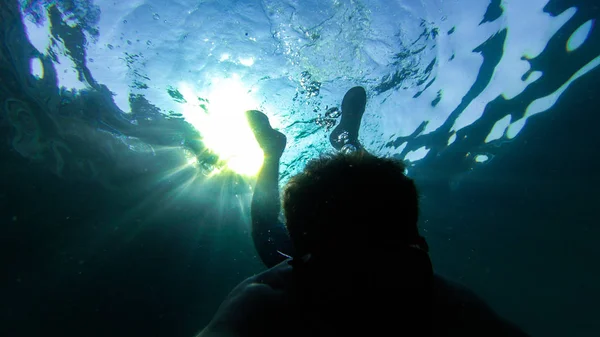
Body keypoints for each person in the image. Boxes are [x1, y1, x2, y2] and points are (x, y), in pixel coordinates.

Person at [198, 87, 529, 337]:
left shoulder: (266, 298)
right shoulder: (444, 301)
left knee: (268, 232)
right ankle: (342, 141)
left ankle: (290, 150)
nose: (366, 293)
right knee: (278, 227)